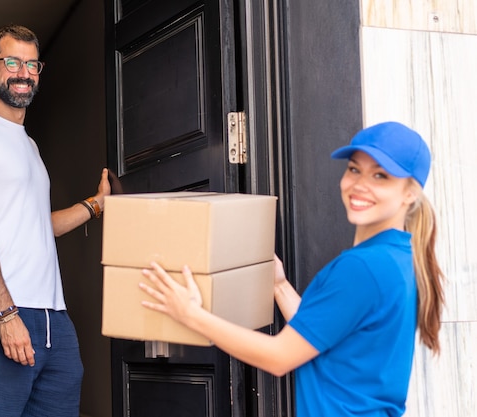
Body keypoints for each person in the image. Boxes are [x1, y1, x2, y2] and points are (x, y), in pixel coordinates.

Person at [139, 121, 445, 416]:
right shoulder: (399, 256)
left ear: (410, 193)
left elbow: (280, 357)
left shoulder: (363, 268)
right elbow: (319, 337)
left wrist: (190, 314)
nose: (360, 185)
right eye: (354, 169)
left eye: (381, 177)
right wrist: (279, 285)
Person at [0, 24, 110, 417]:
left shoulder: (28, 144)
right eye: (12, 62)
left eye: (32, 64)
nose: (23, 73)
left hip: (52, 316)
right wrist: (6, 314)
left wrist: (97, 205)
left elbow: (36, 224)